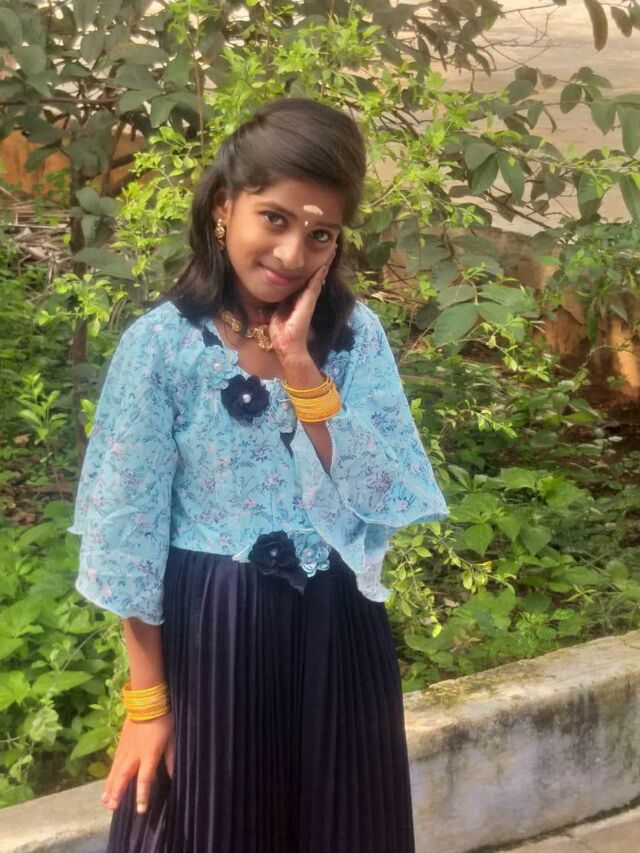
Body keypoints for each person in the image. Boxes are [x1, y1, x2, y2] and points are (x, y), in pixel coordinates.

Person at [70, 97, 448, 853]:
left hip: (336, 633)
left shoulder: (355, 339)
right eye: (273, 218)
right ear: (223, 207)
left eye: (320, 234)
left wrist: (303, 369)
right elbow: (126, 537)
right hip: (214, 636)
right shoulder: (162, 347)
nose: (291, 252)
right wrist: (147, 703)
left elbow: (382, 493)